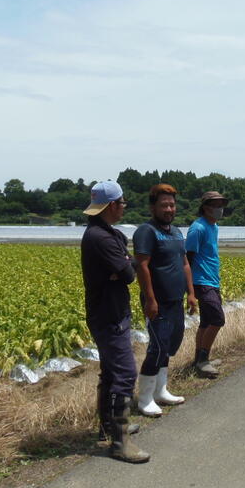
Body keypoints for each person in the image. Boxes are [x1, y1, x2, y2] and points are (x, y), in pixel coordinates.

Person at [81, 180, 149, 463]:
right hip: (108, 314)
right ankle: (120, 442)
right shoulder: (101, 238)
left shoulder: (109, 234)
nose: (124, 207)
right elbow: (130, 274)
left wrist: (122, 265)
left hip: (111, 310)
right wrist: (123, 266)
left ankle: (108, 427)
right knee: (125, 373)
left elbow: (125, 266)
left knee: (110, 372)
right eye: (122, 203)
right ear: (112, 205)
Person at [133, 184, 197, 416]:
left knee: (169, 345)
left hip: (175, 300)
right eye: (164, 205)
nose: (169, 209)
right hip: (157, 302)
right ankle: (145, 399)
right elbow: (142, 266)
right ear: (153, 207)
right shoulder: (146, 231)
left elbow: (185, 264)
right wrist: (150, 300)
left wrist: (191, 293)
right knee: (158, 347)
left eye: (172, 205)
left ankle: (161, 390)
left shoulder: (176, 232)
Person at [186, 190, 228, 378]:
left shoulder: (214, 226)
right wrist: (190, 291)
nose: (220, 209)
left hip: (212, 280)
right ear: (206, 208)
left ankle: (200, 359)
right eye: (216, 205)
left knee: (206, 321)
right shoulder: (198, 228)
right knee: (218, 319)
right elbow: (188, 259)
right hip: (201, 282)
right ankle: (203, 361)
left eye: (221, 205)